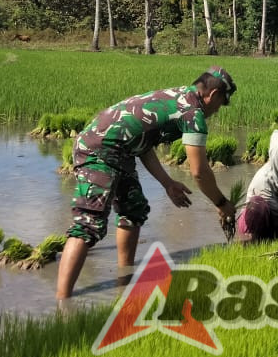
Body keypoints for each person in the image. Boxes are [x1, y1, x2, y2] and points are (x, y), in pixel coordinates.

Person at [55, 66, 238, 299]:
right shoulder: (193, 114)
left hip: (119, 150)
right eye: (222, 102)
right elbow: (199, 171)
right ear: (213, 95)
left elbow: (143, 144)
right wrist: (221, 203)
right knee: (88, 224)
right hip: (99, 150)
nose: (219, 109)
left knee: (134, 209)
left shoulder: (177, 95)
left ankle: (124, 281)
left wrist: (167, 183)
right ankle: (63, 302)